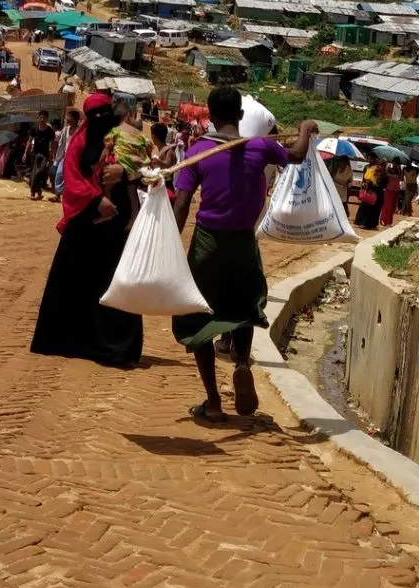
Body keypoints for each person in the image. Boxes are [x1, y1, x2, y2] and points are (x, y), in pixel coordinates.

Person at [170, 86, 319, 421]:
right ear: (240, 115)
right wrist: (306, 129)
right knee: (242, 309)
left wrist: (170, 247)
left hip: (207, 244)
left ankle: (212, 402)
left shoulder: (198, 151)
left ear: (210, 116)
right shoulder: (260, 146)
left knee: (196, 318)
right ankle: (240, 363)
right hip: (242, 243)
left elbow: (181, 205)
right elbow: (295, 155)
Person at [29, 92, 142, 367]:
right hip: (84, 221)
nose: (100, 120)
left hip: (116, 222)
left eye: (105, 113)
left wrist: (125, 175)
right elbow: (71, 178)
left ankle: (116, 346)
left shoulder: (123, 139)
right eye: (95, 116)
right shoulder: (79, 142)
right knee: (73, 282)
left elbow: (143, 170)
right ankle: (69, 341)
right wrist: (96, 198)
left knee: (114, 282)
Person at [25, 111, 57, 200]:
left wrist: (51, 157)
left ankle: (33, 193)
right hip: (34, 154)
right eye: (40, 118)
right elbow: (29, 141)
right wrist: (25, 153)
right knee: (34, 173)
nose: (42, 120)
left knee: (38, 173)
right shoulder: (34, 129)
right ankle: (38, 193)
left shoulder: (50, 131)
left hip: (44, 155)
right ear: (38, 118)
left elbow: (52, 144)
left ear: (47, 119)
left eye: (44, 118)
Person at [354, 161, 384, 232]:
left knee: (375, 210)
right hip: (371, 192)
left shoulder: (384, 175)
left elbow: (384, 184)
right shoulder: (371, 170)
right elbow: (367, 179)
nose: (379, 167)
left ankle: (372, 225)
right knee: (367, 208)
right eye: (379, 165)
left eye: (381, 165)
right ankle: (364, 223)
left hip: (378, 194)